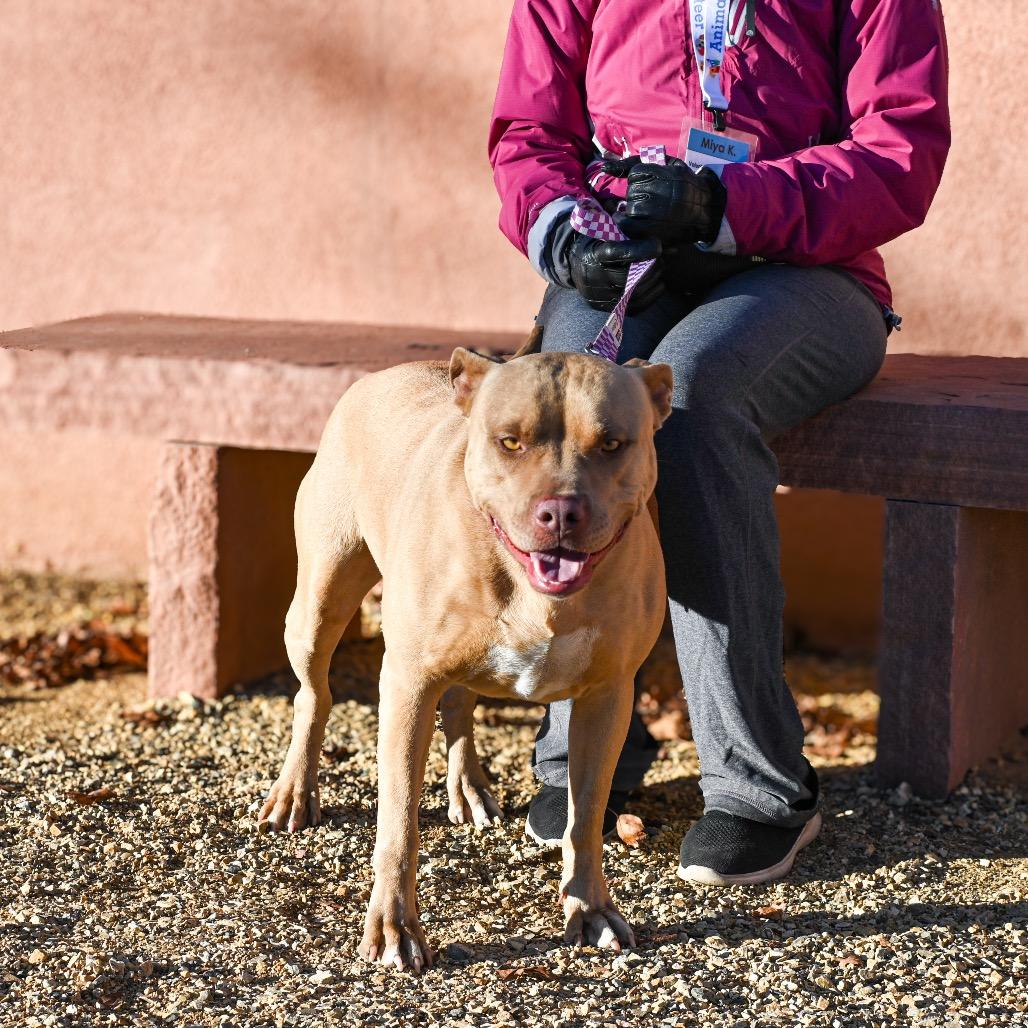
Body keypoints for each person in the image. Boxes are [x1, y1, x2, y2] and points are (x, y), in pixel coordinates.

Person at [488, 0, 950, 884]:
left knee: (694, 401)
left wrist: (726, 203)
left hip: (808, 274)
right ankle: (583, 741)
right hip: (625, 251)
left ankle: (759, 786)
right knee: (573, 400)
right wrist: (564, 233)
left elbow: (902, 146)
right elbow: (530, 132)